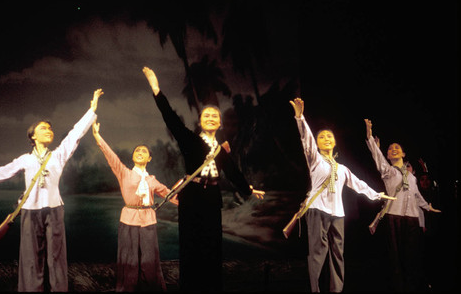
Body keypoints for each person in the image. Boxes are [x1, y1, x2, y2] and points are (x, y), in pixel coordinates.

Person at [142, 66, 265, 291]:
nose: (211, 118)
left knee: (212, 247)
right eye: (206, 115)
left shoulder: (220, 150)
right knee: (191, 246)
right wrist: (156, 90)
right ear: (200, 121)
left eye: (214, 116)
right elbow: (171, 119)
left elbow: (233, 172)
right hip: (192, 197)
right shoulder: (190, 140)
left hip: (212, 199)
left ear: (219, 124)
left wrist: (248, 189)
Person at [0, 89, 104, 292]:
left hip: (54, 210)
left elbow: (75, 133)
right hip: (30, 211)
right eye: (43, 128)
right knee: (31, 257)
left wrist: (92, 109)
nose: (49, 130)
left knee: (56, 256)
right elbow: (5, 171)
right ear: (33, 135)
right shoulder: (26, 159)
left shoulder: (58, 155)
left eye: (50, 128)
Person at [290, 98, 393, 293]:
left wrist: (377, 195)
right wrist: (300, 117)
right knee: (318, 253)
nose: (326, 139)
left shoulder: (343, 168)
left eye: (330, 136)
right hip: (317, 210)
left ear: (335, 141)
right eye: (322, 137)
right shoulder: (315, 160)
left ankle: (336, 290)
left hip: (337, 212)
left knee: (338, 254)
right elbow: (307, 139)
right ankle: (315, 289)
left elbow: (359, 184)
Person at [92, 121, 178, 292]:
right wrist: (97, 136)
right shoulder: (124, 173)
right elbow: (111, 156)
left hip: (149, 221)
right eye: (137, 151)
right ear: (132, 157)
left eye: (144, 151)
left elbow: (171, 194)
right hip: (128, 219)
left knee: (149, 259)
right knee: (129, 259)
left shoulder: (152, 180)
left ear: (149, 158)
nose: (140, 152)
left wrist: (193, 201)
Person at [364, 119, 441, 292]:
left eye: (397, 147)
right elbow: (377, 157)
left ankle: (412, 287)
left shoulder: (412, 177)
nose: (393, 149)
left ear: (404, 154)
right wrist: (370, 136)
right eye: (390, 149)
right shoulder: (388, 171)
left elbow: (416, 195)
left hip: (412, 218)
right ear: (388, 156)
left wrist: (428, 207)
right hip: (394, 216)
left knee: (412, 257)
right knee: (395, 257)